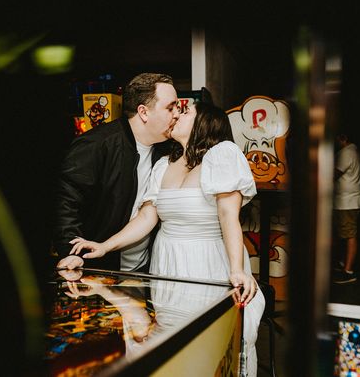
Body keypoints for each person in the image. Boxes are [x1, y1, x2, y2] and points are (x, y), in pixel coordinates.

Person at [70, 101, 266, 376]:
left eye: (184, 111)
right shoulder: (164, 164)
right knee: (171, 346)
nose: (175, 114)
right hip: (168, 266)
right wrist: (104, 246)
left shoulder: (223, 154)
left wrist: (236, 270)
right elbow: (147, 218)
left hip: (208, 263)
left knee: (207, 347)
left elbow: (227, 215)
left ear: (205, 123)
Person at [53, 73, 179, 272]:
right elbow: (66, 202)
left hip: (146, 271)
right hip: (102, 269)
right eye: (170, 108)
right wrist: (72, 253)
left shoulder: (165, 150)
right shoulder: (97, 145)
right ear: (143, 112)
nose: (176, 114)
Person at [332, 133, 360, 284]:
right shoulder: (352, 151)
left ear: (343, 138)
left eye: (337, 139)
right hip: (346, 200)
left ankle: (348, 272)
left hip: (348, 201)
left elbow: (333, 174)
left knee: (350, 234)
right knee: (344, 233)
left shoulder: (347, 152)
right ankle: (344, 264)